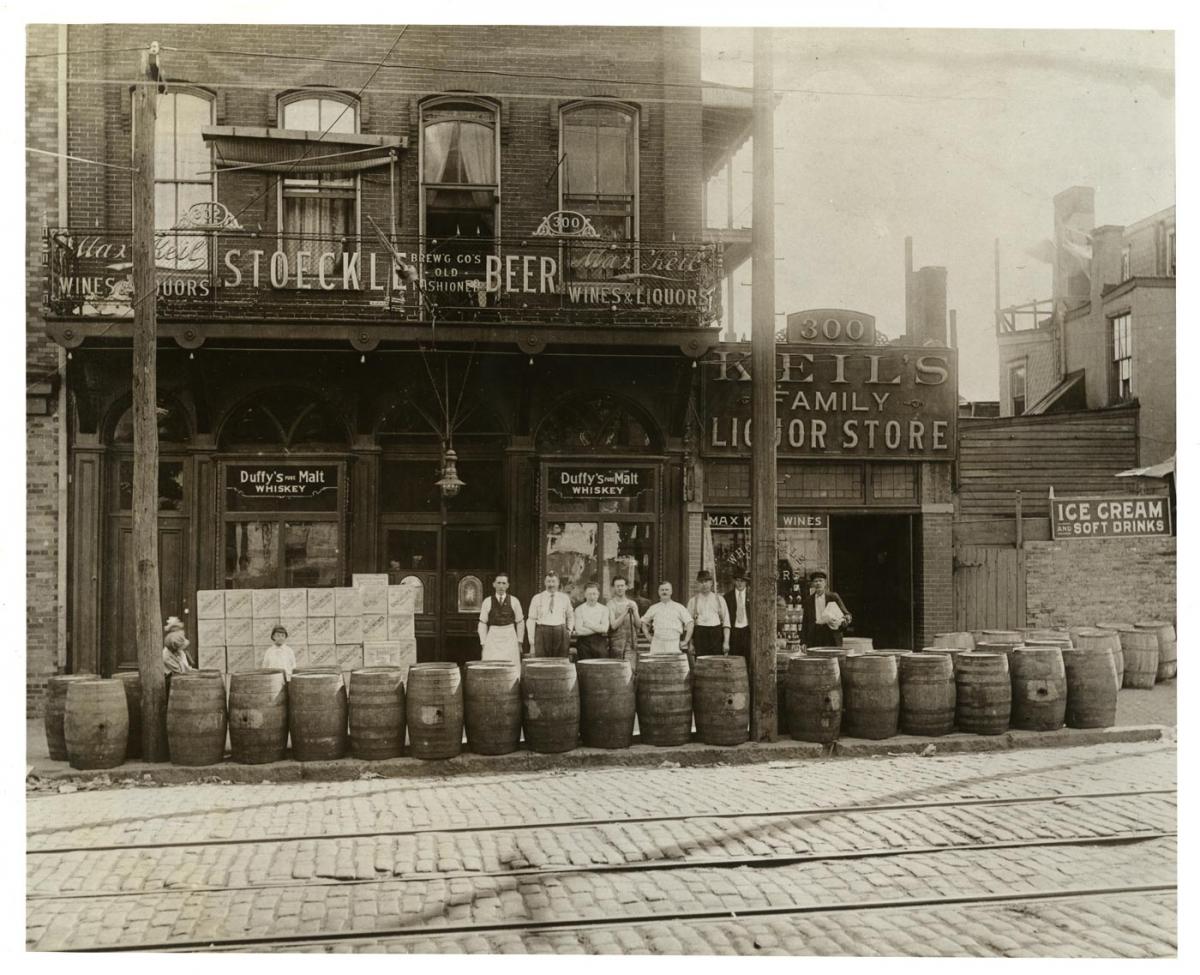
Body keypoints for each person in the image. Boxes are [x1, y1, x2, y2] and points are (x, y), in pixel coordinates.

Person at [477, 572, 525, 665]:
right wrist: (483, 643)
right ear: (494, 584)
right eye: (498, 583)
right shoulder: (487, 601)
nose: (501, 586)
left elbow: (520, 622)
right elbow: (482, 623)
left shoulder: (514, 601)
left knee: (511, 664)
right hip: (493, 636)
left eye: (503, 583)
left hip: (509, 636)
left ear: (507, 585)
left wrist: (519, 642)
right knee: (491, 663)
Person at [641, 582, 694, 663]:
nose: (664, 592)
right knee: (656, 666)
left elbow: (690, 623)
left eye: (667, 589)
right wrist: (648, 636)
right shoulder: (654, 607)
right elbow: (644, 622)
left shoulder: (679, 607)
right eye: (662, 590)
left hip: (673, 643)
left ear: (671, 592)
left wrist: (686, 641)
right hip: (657, 643)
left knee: (672, 668)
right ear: (658, 592)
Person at [527, 571, 574, 657]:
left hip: (560, 631)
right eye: (548, 581)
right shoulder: (537, 598)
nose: (551, 584)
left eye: (553, 581)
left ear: (558, 583)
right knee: (542, 661)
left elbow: (570, 615)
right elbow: (531, 620)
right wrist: (532, 642)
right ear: (545, 583)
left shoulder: (564, 598)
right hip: (542, 632)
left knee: (561, 660)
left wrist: (569, 631)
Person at [801, 570, 852, 648]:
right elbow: (805, 622)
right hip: (815, 635)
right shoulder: (808, 601)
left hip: (831, 635)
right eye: (815, 581)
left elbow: (846, 614)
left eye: (820, 581)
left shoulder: (833, 597)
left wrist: (846, 619)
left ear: (825, 583)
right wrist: (803, 642)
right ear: (812, 584)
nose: (818, 583)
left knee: (832, 658)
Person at [687, 570, 730, 656]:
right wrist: (690, 644)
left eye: (706, 581)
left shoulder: (720, 600)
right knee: (701, 665)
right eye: (701, 582)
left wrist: (726, 642)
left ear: (711, 583)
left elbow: (726, 623)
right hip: (700, 635)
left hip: (716, 634)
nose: (704, 584)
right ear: (697, 584)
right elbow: (689, 626)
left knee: (716, 664)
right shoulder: (692, 601)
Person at [607, 575, 642, 664]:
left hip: (631, 643)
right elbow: (613, 625)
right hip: (616, 643)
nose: (620, 588)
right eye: (617, 586)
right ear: (613, 588)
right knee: (617, 669)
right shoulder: (610, 604)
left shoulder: (632, 603)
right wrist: (625, 612)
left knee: (631, 669)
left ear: (626, 587)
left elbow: (639, 625)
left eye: (622, 586)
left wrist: (634, 612)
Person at [573, 582, 610, 660]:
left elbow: (604, 629)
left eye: (594, 594)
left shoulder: (604, 609)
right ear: (585, 595)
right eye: (589, 594)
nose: (592, 597)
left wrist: (588, 624)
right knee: (584, 665)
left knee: (600, 665)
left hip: (600, 641)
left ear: (598, 595)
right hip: (583, 642)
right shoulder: (579, 609)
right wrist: (597, 628)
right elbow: (579, 631)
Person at [724, 568, 751, 658]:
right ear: (734, 581)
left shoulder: (752, 596)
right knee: (734, 659)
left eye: (742, 581)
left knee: (748, 658)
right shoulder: (727, 597)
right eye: (737, 580)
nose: (740, 583)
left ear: (746, 582)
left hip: (747, 631)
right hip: (733, 632)